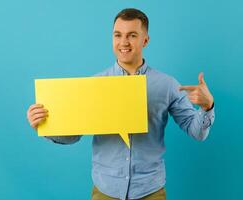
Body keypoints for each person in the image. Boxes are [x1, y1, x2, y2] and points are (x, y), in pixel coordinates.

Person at [26, 8, 215, 200]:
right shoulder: (95, 85)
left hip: (150, 191)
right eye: (118, 35)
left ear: (145, 40)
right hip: (106, 190)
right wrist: (46, 126)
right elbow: (74, 136)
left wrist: (207, 108)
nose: (123, 42)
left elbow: (197, 132)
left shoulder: (167, 85)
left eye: (132, 35)